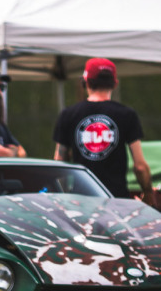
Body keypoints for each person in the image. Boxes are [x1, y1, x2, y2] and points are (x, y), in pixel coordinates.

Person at [53, 57, 153, 199]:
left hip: (81, 199)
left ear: (85, 82)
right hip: (116, 199)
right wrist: (148, 194)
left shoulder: (68, 114)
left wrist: (64, 197)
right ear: (115, 84)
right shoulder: (127, 114)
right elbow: (140, 166)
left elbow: (59, 163)